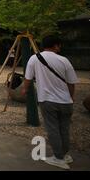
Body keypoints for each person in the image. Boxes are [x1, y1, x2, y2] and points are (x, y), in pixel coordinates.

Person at [21, 35, 79, 170]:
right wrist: (70, 97)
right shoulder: (64, 60)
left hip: (47, 100)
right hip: (66, 101)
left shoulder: (34, 58)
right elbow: (71, 83)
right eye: (59, 45)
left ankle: (58, 158)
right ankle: (64, 155)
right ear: (56, 45)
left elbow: (28, 78)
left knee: (53, 129)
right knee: (64, 129)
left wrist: (24, 89)